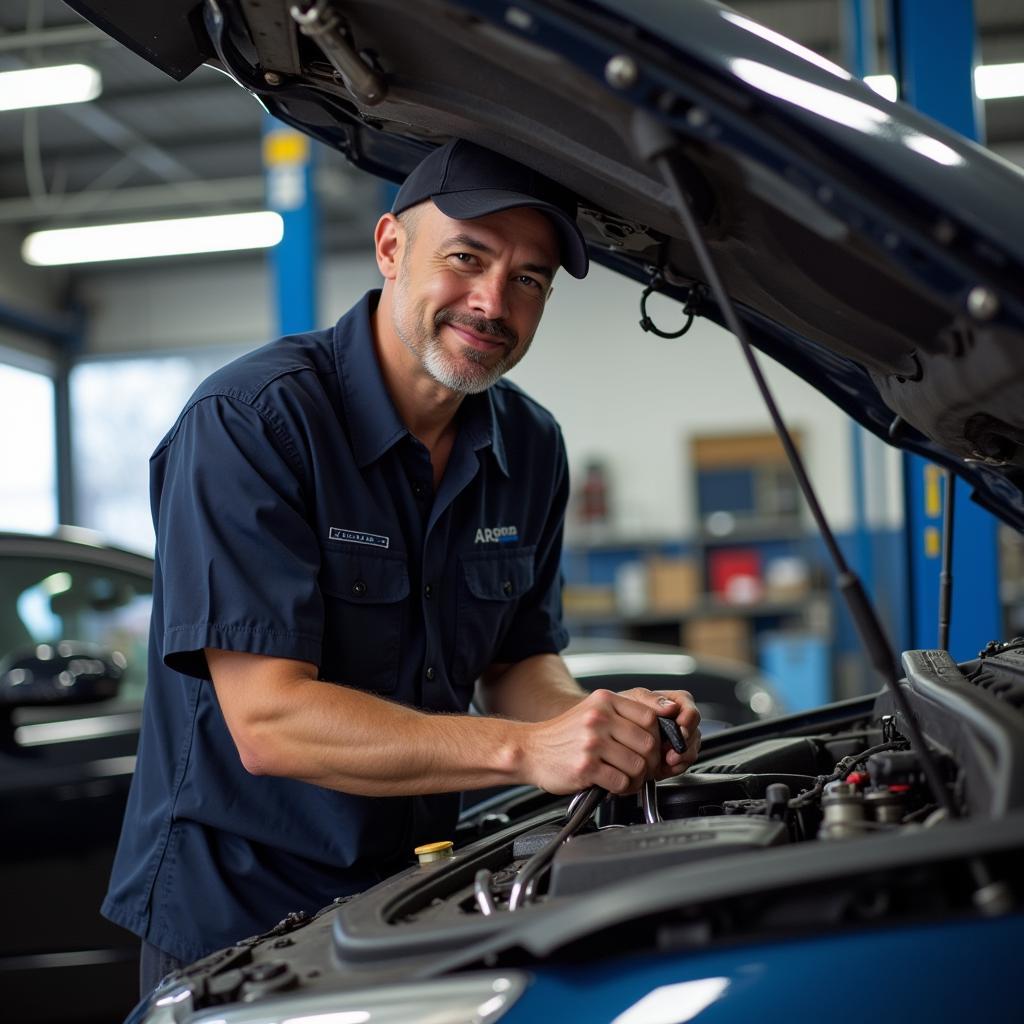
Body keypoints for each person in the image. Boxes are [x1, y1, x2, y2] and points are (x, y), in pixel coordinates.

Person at [100, 139, 702, 995]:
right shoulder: (252, 424)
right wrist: (530, 749)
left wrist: (598, 729)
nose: (493, 301)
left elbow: (518, 662)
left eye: (529, 279)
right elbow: (269, 722)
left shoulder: (530, 447)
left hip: (416, 896)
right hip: (236, 926)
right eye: (467, 257)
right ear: (391, 248)